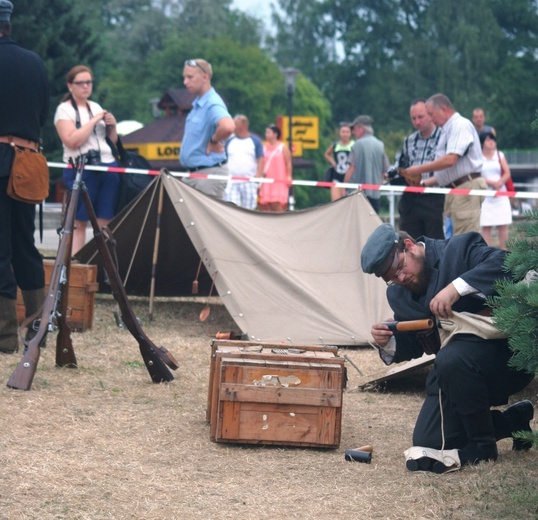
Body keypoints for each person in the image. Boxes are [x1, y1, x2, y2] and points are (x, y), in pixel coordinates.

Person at [361, 223, 534, 473]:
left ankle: (483, 446)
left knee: (451, 358)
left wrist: (455, 289)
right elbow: (417, 343)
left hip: (506, 360)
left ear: (408, 247)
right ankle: (511, 421)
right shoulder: (399, 294)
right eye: (392, 279)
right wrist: (389, 341)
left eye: (399, 268)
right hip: (452, 373)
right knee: (430, 442)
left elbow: (506, 264)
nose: (400, 279)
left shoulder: (458, 248)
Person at [0, 0, 50, 353]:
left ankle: (4, 337)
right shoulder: (34, 63)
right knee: (25, 247)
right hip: (27, 161)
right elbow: (42, 114)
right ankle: (38, 330)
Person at [54, 65, 121, 254]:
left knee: (105, 222)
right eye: (80, 83)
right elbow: (72, 141)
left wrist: (112, 127)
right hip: (80, 167)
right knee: (78, 222)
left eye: (89, 82)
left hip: (107, 166)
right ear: (70, 86)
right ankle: (76, 267)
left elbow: (111, 142)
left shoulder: (96, 106)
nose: (85, 86)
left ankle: (104, 269)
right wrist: (93, 121)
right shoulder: (64, 110)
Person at [402, 94, 487, 236]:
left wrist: (418, 169)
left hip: (465, 188)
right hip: (457, 189)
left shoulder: (460, 125)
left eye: (431, 114)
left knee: (465, 241)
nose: (431, 119)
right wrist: (423, 184)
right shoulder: (448, 129)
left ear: (443, 110)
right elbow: (450, 171)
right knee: (457, 240)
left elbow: (450, 160)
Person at [180, 59, 235, 199]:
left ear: (205, 77)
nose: (185, 82)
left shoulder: (212, 102)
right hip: (197, 176)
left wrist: (214, 141)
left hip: (207, 176)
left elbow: (228, 126)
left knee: (205, 221)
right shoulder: (200, 103)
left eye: (190, 77)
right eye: (184, 77)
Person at [396, 99, 444, 239]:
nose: (417, 122)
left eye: (421, 117)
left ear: (430, 115)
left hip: (434, 196)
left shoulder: (443, 137)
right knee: (409, 242)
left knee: (435, 244)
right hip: (411, 199)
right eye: (413, 118)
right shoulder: (409, 140)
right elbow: (402, 163)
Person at [343, 115, 390, 213]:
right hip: (375, 194)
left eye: (354, 128)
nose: (353, 132)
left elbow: (351, 169)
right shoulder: (380, 145)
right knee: (372, 225)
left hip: (357, 195)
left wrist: (344, 187)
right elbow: (385, 170)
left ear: (361, 128)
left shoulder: (357, 145)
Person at [479, 132, 512, 249]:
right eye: (488, 140)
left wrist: (499, 183)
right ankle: (486, 255)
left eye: (493, 139)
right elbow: (477, 176)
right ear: (482, 143)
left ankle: (504, 253)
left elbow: (507, 172)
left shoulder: (499, 155)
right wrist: (492, 183)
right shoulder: (478, 157)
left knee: (503, 226)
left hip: (500, 194)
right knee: (486, 226)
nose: (491, 142)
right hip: (486, 196)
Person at [223, 114, 264, 210]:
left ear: (244, 125)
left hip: (249, 180)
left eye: (235, 124)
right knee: (231, 207)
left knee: (249, 209)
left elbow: (260, 158)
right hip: (232, 180)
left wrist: (259, 173)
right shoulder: (229, 141)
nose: (233, 127)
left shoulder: (255, 141)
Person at [258, 124, 292, 212]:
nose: (266, 134)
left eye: (268, 132)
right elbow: (261, 162)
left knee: (277, 204)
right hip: (267, 180)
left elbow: (288, 163)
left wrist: (289, 176)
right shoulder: (264, 148)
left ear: (275, 134)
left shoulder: (283, 147)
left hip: (279, 180)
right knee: (267, 205)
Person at [323, 122, 354, 201]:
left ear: (350, 134)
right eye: (343, 132)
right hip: (337, 175)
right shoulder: (335, 145)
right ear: (339, 133)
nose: (345, 134)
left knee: (349, 201)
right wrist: (333, 163)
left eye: (347, 132)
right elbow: (327, 154)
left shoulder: (354, 145)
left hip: (350, 177)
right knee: (335, 201)